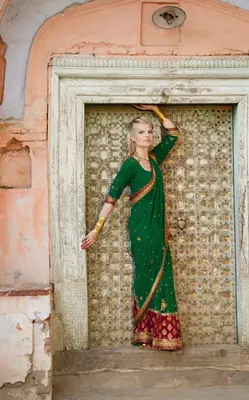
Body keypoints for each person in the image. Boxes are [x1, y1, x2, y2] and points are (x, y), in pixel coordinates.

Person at [81, 104, 183, 351]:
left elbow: (174, 134)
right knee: (146, 277)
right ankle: (145, 331)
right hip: (142, 232)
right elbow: (111, 198)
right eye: (141, 132)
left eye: (149, 132)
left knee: (164, 278)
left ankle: (157, 334)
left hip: (158, 231)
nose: (147, 135)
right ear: (131, 137)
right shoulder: (130, 165)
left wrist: (156, 110)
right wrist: (96, 229)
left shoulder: (155, 159)